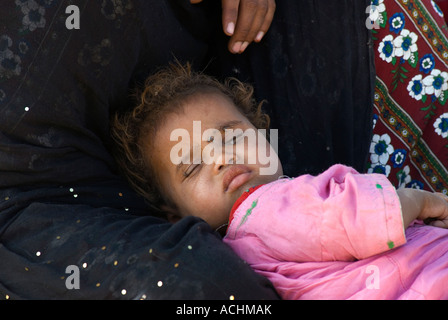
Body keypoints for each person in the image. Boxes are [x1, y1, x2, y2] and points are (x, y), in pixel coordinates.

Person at [112, 63, 448, 300]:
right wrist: (419, 201)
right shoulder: (263, 208)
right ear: (175, 215)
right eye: (193, 165)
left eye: (231, 137)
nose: (220, 158)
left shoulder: (232, 258)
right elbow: (355, 218)